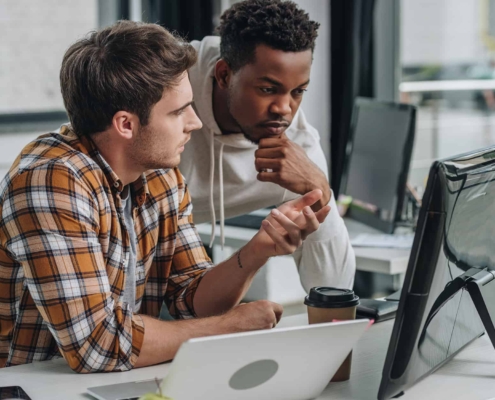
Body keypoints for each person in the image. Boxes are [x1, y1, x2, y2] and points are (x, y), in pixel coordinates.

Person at [0, 21, 329, 373]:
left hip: (108, 384)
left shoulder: (160, 175)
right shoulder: (51, 181)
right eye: (177, 112)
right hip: (28, 386)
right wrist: (228, 327)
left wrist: (259, 249)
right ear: (126, 124)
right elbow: (97, 347)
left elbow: (192, 302)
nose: (195, 123)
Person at [181, 0, 356, 292]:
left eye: (298, 91)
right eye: (267, 89)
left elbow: (333, 290)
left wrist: (321, 192)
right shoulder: (169, 86)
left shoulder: (297, 144)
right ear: (224, 75)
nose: (284, 110)